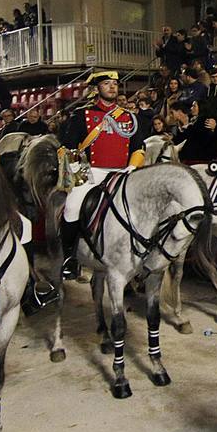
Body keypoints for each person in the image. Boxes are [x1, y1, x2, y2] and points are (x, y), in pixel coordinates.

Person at [58, 71, 149, 284]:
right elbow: (68, 146)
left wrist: (133, 167)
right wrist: (77, 169)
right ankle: (69, 258)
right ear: (97, 88)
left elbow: (139, 147)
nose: (112, 87)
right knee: (72, 208)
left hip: (122, 173)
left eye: (115, 84)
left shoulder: (129, 117)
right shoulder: (82, 115)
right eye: (107, 84)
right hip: (92, 172)